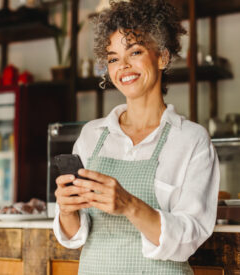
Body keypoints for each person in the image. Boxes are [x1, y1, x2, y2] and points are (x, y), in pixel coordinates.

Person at [53, 0, 220, 274]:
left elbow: (191, 237)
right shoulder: (92, 136)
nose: (124, 66)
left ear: (162, 57)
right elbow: (75, 237)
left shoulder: (191, 140)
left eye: (135, 52)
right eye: (114, 58)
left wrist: (130, 205)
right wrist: (67, 210)